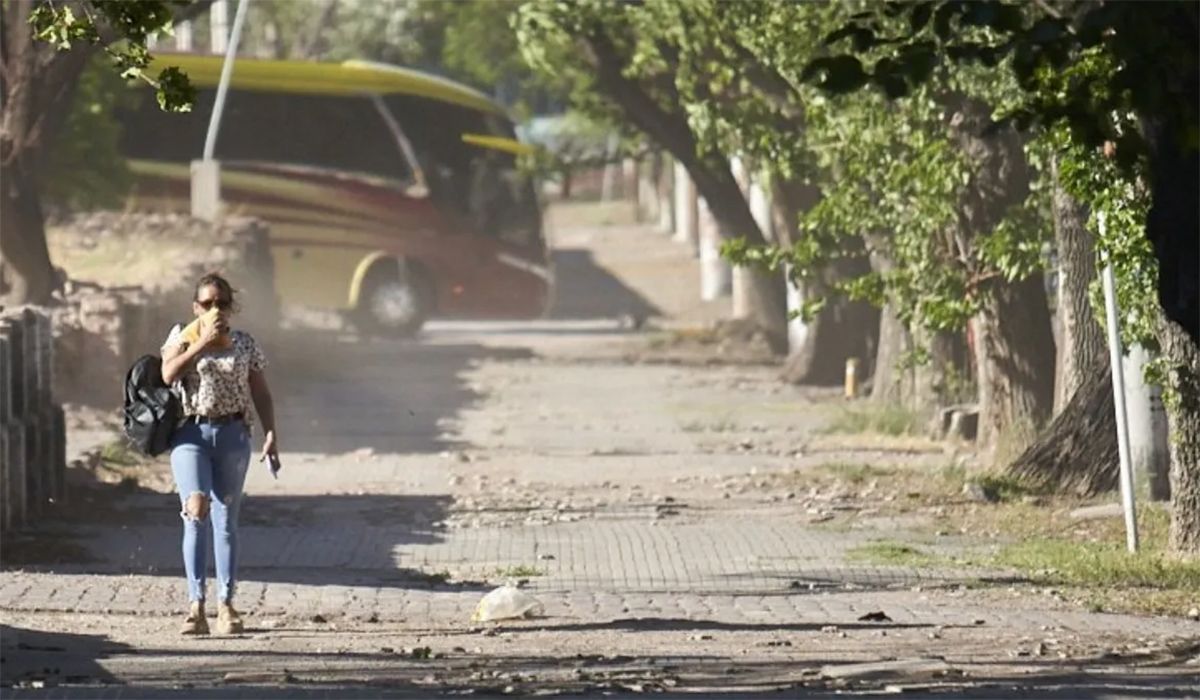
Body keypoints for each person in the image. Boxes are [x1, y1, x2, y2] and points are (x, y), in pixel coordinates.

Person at [160, 272, 280, 635]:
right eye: (208, 303)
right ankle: (195, 606)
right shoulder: (182, 337)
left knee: (226, 521)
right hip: (191, 434)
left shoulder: (243, 344)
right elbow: (168, 374)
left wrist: (271, 432)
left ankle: (226, 605)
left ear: (231, 307)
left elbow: (260, 391)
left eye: (221, 303)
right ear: (196, 307)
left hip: (232, 434)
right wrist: (201, 344)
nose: (215, 309)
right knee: (195, 510)